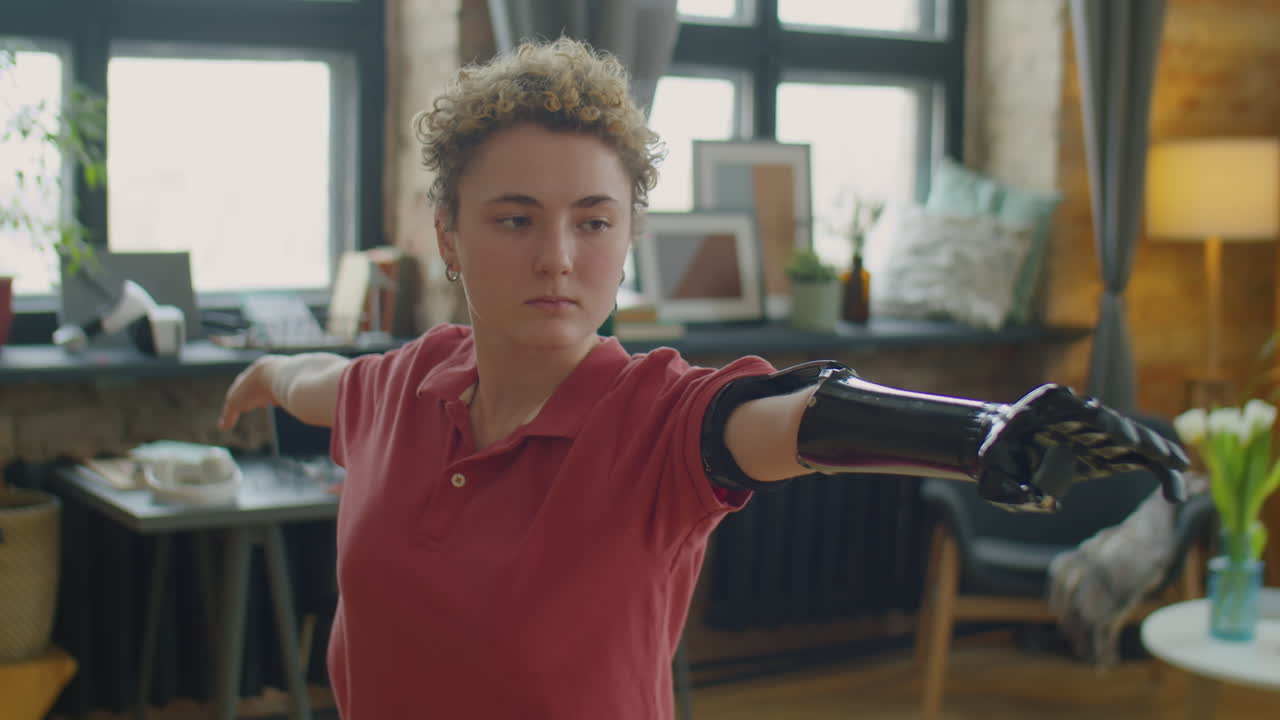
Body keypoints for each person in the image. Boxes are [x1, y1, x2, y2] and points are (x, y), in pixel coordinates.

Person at [218, 36, 1187, 720]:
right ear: (449, 236)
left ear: (627, 240)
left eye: (592, 221)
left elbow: (787, 419)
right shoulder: (400, 385)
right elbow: (317, 380)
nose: (557, 256)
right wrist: (264, 369)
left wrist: (975, 435)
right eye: (515, 218)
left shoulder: (655, 419)